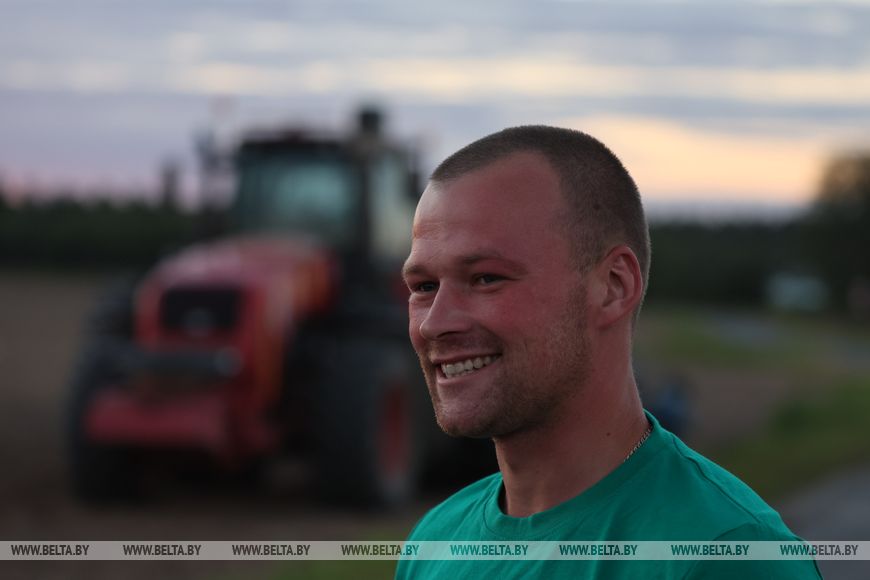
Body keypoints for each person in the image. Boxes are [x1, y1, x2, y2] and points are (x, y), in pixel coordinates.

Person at [396, 126, 821, 578]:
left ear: (614, 286)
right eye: (424, 287)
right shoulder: (434, 543)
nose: (434, 323)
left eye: (486, 278)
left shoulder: (725, 553)